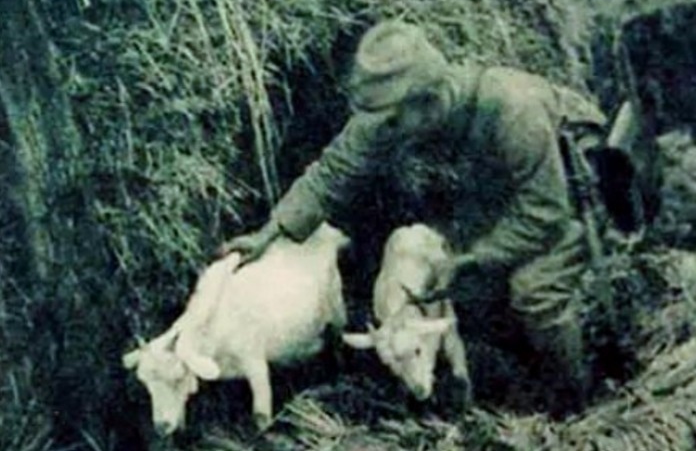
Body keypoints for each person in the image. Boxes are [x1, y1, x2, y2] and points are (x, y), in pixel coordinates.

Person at [220, 20, 613, 401]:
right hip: (496, 194)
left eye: (392, 116)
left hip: (567, 190)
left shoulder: (514, 109)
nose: (382, 126)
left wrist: (474, 257)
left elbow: (546, 211)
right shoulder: (393, 116)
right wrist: (271, 231)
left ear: (429, 100)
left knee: (534, 292)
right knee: (469, 292)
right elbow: (334, 170)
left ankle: (574, 399)